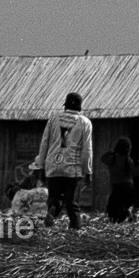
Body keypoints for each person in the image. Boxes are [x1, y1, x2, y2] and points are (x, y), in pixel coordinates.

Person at [33, 92, 93, 229]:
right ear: (80, 107)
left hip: (53, 165)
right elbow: (87, 149)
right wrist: (88, 171)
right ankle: (75, 234)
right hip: (72, 168)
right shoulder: (85, 122)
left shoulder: (54, 119)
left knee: (55, 197)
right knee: (72, 204)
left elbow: (45, 143)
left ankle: (53, 210)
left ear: (65, 105)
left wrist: (41, 166)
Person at [100, 137, 139, 223]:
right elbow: (135, 172)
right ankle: (129, 213)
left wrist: (110, 152)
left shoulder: (112, 159)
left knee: (115, 213)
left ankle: (123, 217)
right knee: (127, 206)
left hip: (117, 189)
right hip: (128, 189)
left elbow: (102, 158)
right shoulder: (127, 160)